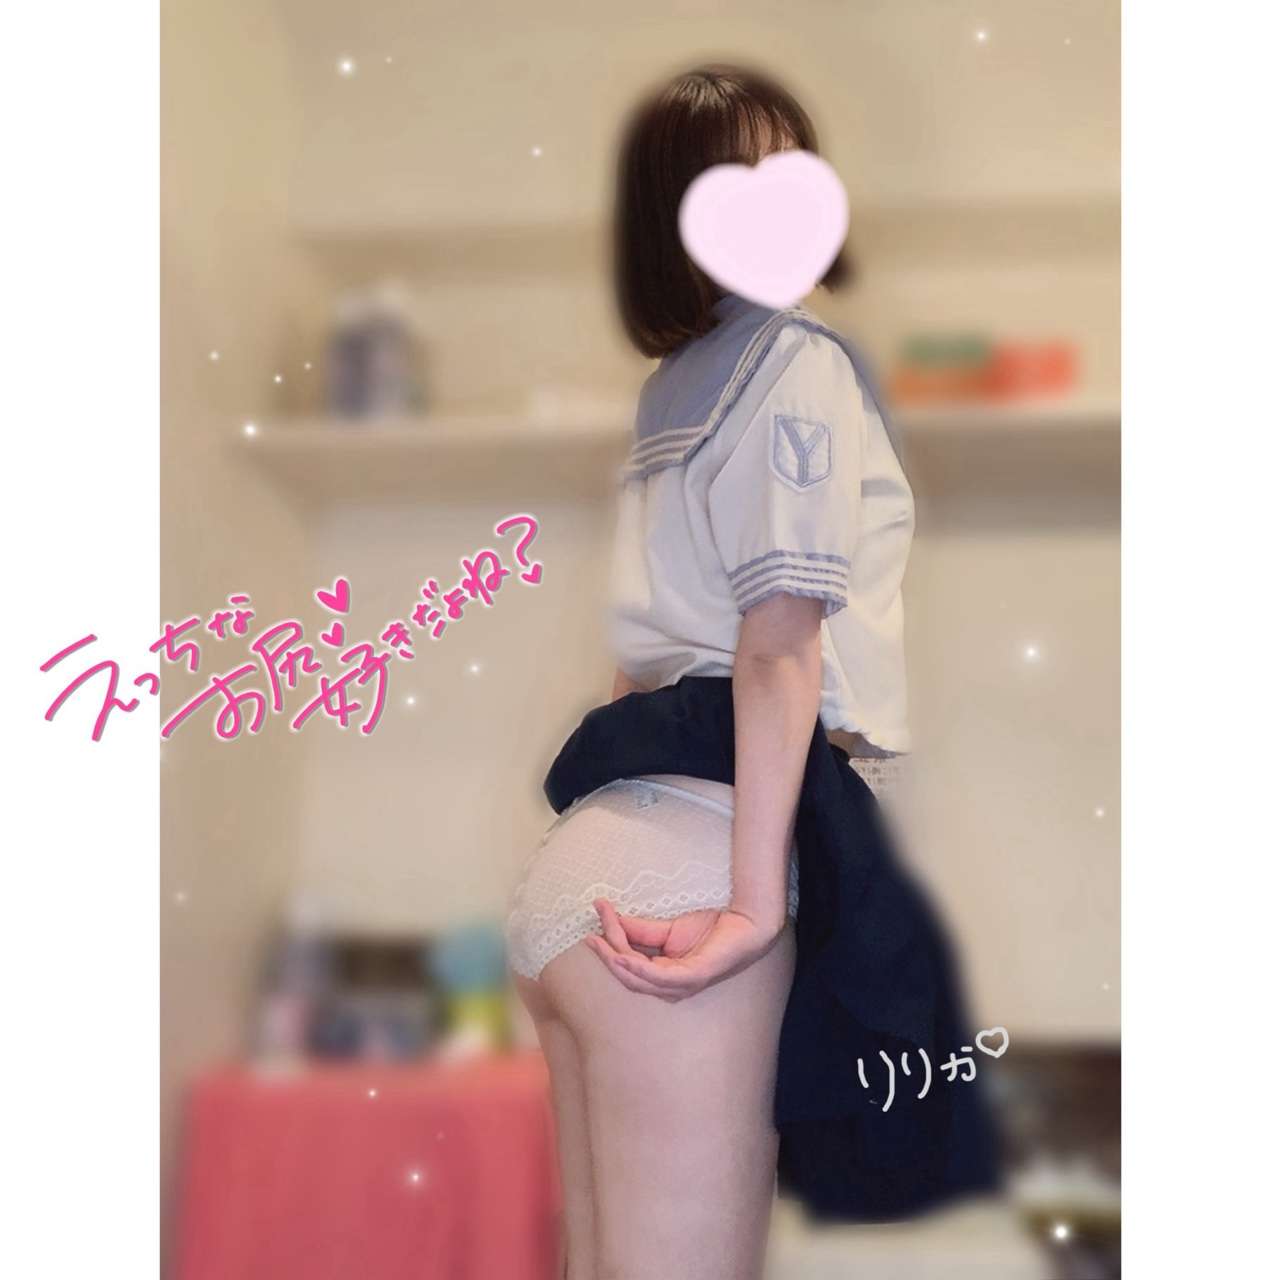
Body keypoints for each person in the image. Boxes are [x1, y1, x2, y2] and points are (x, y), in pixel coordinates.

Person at [505, 64, 997, 1280]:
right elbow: (778, 643)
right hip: (692, 870)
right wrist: (750, 904)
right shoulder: (796, 364)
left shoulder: (669, 395)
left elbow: (634, 674)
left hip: (580, 878)